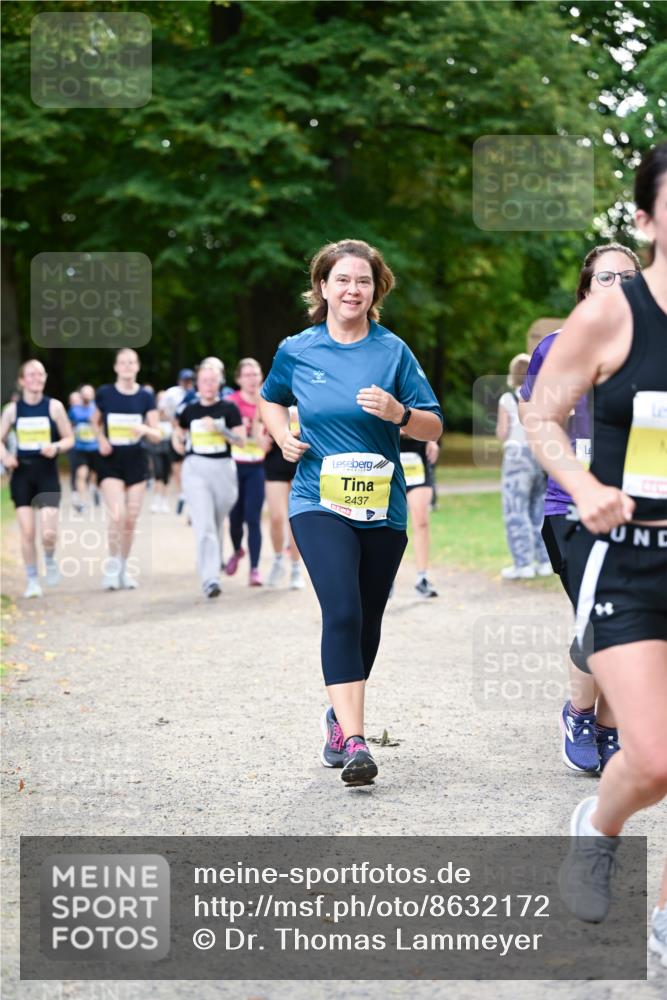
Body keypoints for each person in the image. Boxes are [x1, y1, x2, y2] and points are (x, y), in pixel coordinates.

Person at [524, 142, 667, 922]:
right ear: (645, 218)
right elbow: (539, 414)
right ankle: (597, 826)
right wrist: (581, 486)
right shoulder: (609, 313)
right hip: (627, 561)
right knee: (651, 757)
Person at [260, 239, 443, 786]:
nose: (352, 290)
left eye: (362, 281)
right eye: (342, 280)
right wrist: (280, 435)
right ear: (322, 287)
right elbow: (271, 397)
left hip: (382, 507)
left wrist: (400, 412)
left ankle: (338, 719)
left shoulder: (393, 352)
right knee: (341, 609)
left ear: (375, 289)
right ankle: (357, 741)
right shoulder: (298, 349)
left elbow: (433, 424)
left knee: (366, 619)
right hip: (317, 499)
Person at [519, 243, 640, 776]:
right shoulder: (557, 347)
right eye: (605, 278)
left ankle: (611, 727)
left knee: (628, 624)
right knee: (599, 616)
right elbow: (538, 422)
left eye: (628, 278)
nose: (617, 286)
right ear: (586, 289)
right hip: (570, 504)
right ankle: (580, 713)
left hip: (639, 504)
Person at [0, 359, 74, 598]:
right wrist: (6, 456)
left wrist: (56, 447)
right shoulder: (12, 410)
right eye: (31, 375)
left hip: (47, 473)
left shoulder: (54, 407)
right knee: (27, 532)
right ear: (22, 380)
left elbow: (69, 439)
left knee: (48, 533)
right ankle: (32, 580)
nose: (36, 378)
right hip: (22, 473)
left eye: (40, 374)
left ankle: (50, 559)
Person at [174, 362, 244, 598]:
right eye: (204, 380)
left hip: (223, 469)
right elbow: (179, 431)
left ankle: (212, 563)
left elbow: (241, 440)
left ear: (220, 382)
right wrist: (177, 440)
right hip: (195, 468)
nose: (208, 385)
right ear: (196, 383)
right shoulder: (189, 410)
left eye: (212, 380)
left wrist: (219, 429)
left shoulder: (229, 408)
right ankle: (210, 579)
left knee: (215, 522)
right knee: (204, 525)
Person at [93, 348, 161, 590]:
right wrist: (100, 439)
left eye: (131, 362)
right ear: (115, 367)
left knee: (131, 519)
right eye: (123, 362)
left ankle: (123, 568)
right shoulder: (105, 393)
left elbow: (157, 434)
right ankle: (111, 569)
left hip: (136, 460)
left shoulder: (145, 397)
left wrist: (144, 430)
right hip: (111, 460)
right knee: (117, 514)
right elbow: (95, 421)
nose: (127, 366)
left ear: (138, 366)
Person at [496, 354, 551, 580]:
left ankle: (523, 563)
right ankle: (545, 561)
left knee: (515, 510)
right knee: (539, 510)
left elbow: (502, 432)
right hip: (540, 456)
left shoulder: (508, 398)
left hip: (517, 457)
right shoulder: (542, 397)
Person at [226, 358, 272, 586]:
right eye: (247, 375)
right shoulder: (230, 402)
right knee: (235, 518)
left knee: (253, 518)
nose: (253, 379)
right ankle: (237, 551)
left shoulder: (269, 401)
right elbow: (223, 432)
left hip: (257, 466)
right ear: (238, 379)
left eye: (256, 374)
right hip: (234, 465)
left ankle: (254, 569)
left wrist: (269, 439)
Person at [264, 405, 306, 590]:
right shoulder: (272, 396)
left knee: (296, 520)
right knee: (276, 518)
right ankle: (278, 559)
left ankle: (296, 567)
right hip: (275, 463)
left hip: (303, 463)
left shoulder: (310, 389)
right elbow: (260, 437)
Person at [400, 430, 441, 597]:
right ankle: (386, 578)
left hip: (417, 459)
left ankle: (422, 578)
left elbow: (431, 419)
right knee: (387, 523)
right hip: (389, 458)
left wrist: (432, 439)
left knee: (422, 522)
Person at [161, 368, 195, 515]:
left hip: (192, 433)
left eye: (190, 380)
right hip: (175, 431)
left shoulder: (197, 392)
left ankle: (189, 494)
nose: (188, 383)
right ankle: (182, 492)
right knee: (176, 466)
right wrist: (173, 426)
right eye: (185, 380)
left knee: (190, 465)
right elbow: (162, 411)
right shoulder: (172, 393)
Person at [68, 383, 99, 513]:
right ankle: (84, 501)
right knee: (81, 475)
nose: (87, 396)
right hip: (81, 448)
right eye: (84, 393)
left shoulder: (97, 408)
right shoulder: (74, 410)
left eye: (89, 393)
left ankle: (93, 488)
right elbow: (69, 425)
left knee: (94, 474)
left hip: (95, 447)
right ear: (81, 395)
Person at [146, 391, 173, 513]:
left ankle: (165, 501)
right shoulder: (153, 414)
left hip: (168, 447)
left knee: (167, 476)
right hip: (156, 447)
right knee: (158, 474)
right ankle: (156, 501)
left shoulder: (171, 415)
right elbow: (147, 430)